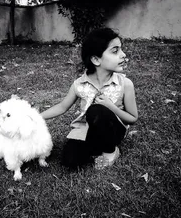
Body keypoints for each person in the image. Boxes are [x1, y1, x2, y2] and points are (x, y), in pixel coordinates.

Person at [41, 27, 138, 170]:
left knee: (96, 110)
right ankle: (95, 148)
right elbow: (62, 107)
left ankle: (111, 151)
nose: (123, 55)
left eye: (121, 49)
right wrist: (36, 117)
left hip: (114, 131)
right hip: (86, 130)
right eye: (115, 51)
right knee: (70, 161)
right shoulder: (79, 84)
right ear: (96, 59)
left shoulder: (125, 84)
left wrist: (111, 107)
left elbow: (133, 118)